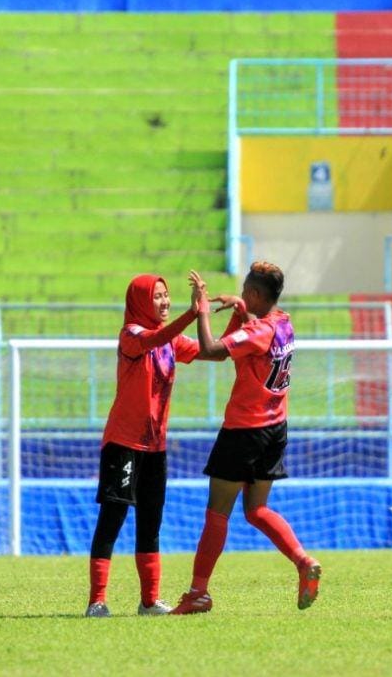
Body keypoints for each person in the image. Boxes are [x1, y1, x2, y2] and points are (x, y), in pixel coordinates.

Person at [170, 262, 320, 615]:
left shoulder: (259, 332)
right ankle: (302, 561)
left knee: (217, 513)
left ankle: (198, 593)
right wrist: (241, 310)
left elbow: (210, 350)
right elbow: (252, 345)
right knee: (256, 510)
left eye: (245, 289)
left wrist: (201, 309)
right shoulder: (283, 322)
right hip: (275, 427)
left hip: (244, 431)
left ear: (255, 293)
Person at [86, 274, 210, 618]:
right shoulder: (131, 335)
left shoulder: (171, 340)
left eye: (166, 295)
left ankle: (149, 601)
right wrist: (191, 312)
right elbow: (156, 338)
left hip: (155, 447)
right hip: (123, 443)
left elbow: (213, 352)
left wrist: (239, 318)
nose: (164, 301)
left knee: (150, 522)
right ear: (141, 300)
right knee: (112, 518)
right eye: (157, 296)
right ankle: (97, 601)